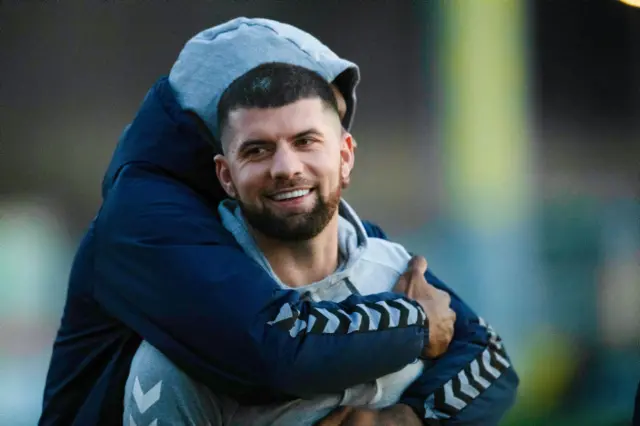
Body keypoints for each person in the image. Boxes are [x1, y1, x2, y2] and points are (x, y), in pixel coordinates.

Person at [39, 18, 518, 426]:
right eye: (261, 144)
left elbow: (484, 354)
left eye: (311, 134)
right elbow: (272, 348)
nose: (290, 165)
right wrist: (415, 324)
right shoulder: (144, 218)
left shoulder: (360, 244)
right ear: (222, 154)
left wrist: (406, 416)